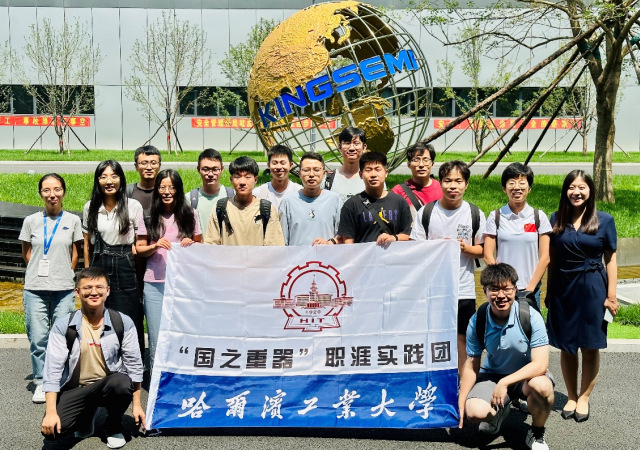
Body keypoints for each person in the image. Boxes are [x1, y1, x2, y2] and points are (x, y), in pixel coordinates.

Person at [41, 267, 145, 448]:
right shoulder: (63, 325)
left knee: (121, 383)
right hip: (75, 389)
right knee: (53, 432)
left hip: (108, 385)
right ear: (77, 292)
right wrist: (50, 412)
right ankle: (86, 415)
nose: (94, 292)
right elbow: (52, 371)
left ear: (108, 291)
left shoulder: (122, 322)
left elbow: (134, 366)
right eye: (87, 287)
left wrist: (137, 405)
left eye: (99, 287)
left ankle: (113, 426)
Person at [545, 170, 618, 422]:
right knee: (566, 346)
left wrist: (611, 296)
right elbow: (552, 259)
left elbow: (610, 259)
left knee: (589, 345)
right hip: (563, 287)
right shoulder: (556, 218)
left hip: (592, 287)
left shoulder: (604, 220)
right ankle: (571, 395)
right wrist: (549, 291)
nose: (576, 192)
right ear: (565, 191)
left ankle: (584, 397)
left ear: (590, 191)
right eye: (571, 187)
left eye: (582, 187)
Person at [459, 263, 553, 450]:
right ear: (485, 291)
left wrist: (505, 383)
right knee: (475, 412)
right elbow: (471, 365)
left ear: (515, 289)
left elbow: (540, 364)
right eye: (494, 289)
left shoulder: (531, 317)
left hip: (527, 377)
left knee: (542, 387)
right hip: (493, 375)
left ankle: (537, 432)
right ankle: (500, 410)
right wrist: (461, 402)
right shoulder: (478, 320)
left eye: (506, 289)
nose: (501, 295)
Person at [410, 160, 485, 375]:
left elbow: (483, 250)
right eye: (447, 180)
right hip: (432, 289)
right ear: (440, 183)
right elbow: (415, 249)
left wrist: (464, 248)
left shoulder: (474, 213)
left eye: (458, 181)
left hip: (463, 289)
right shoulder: (427, 212)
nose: (453, 186)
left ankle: (463, 382)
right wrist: (436, 247)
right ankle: (433, 378)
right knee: (433, 335)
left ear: (466, 184)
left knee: (463, 337)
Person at [19, 174, 84, 404]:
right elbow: (27, 252)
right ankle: (40, 381)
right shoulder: (31, 221)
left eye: (56, 189)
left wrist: (66, 272)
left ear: (63, 192)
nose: (52, 195)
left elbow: (76, 252)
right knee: (38, 338)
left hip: (63, 288)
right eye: (46, 190)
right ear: (41, 194)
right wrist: (39, 271)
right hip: (35, 288)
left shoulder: (73, 220)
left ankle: (59, 379)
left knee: (64, 337)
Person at [136, 169, 202, 371]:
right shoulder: (148, 216)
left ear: (178, 190)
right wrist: (155, 245)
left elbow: (201, 246)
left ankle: (181, 373)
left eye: (171, 187)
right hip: (154, 284)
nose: (167, 192)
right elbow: (139, 249)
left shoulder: (190, 214)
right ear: (156, 190)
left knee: (182, 333)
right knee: (156, 335)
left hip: (183, 284)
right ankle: (156, 377)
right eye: (162, 187)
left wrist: (191, 244)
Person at [83, 160, 145, 354]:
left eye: (114, 176)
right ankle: (102, 362)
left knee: (129, 318)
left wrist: (140, 277)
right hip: (99, 266)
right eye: (103, 177)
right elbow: (87, 244)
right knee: (99, 317)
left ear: (121, 179)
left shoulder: (133, 206)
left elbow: (140, 243)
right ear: (97, 181)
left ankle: (134, 364)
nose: (109, 181)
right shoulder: (90, 207)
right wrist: (87, 275)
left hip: (126, 266)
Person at [483, 163, 552, 309]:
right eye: (512, 183)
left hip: (531, 289)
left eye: (522, 183)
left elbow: (545, 257)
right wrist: (501, 283)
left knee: (529, 323)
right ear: (504, 188)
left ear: (529, 188)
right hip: (503, 290)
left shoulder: (538, 217)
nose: (517, 187)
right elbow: (488, 255)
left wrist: (530, 288)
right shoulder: (495, 216)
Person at [204, 156, 284, 246]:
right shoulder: (221, 208)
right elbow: (211, 245)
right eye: (237, 176)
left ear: (255, 180)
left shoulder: (267, 209)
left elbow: (274, 247)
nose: (242, 182)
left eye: (247, 177)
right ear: (231, 180)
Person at [337, 152, 412, 245]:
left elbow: (408, 235)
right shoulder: (351, 205)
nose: (373, 174)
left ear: (386, 173)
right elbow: (348, 242)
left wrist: (393, 238)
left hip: (394, 254)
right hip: (363, 255)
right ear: (361, 174)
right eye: (368, 170)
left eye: (378, 169)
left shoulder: (399, 202)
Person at [279, 152, 343, 246]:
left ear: (324, 173)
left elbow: (342, 236)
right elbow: (281, 241)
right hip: (297, 255)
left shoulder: (334, 200)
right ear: (299, 173)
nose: (311, 174)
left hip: (327, 255)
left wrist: (330, 243)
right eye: (306, 170)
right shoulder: (288, 202)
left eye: (316, 170)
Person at [391, 141, 442, 220]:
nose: (421, 165)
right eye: (416, 160)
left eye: (425, 160)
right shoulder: (398, 192)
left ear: (432, 164)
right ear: (409, 165)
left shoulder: (442, 188)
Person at [188, 148, 234, 232]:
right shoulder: (189, 199)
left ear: (222, 169)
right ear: (198, 169)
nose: (210, 174)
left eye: (215, 169)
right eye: (205, 169)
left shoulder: (233, 196)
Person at [325, 127, 367, 203]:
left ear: (364, 147)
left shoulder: (373, 179)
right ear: (339, 147)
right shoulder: (327, 180)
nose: (351, 148)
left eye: (356, 144)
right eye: (347, 143)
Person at [253, 144, 301, 210]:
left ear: (291, 165)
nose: (278, 167)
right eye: (274, 163)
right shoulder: (258, 193)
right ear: (268, 165)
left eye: (283, 163)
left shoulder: (299, 192)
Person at [126, 145, 161, 226]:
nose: (149, 167)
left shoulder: (167, 193)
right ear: (136, 166)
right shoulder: (126, 193)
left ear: (159, 166)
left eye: (153, 163)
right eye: (144, 163)